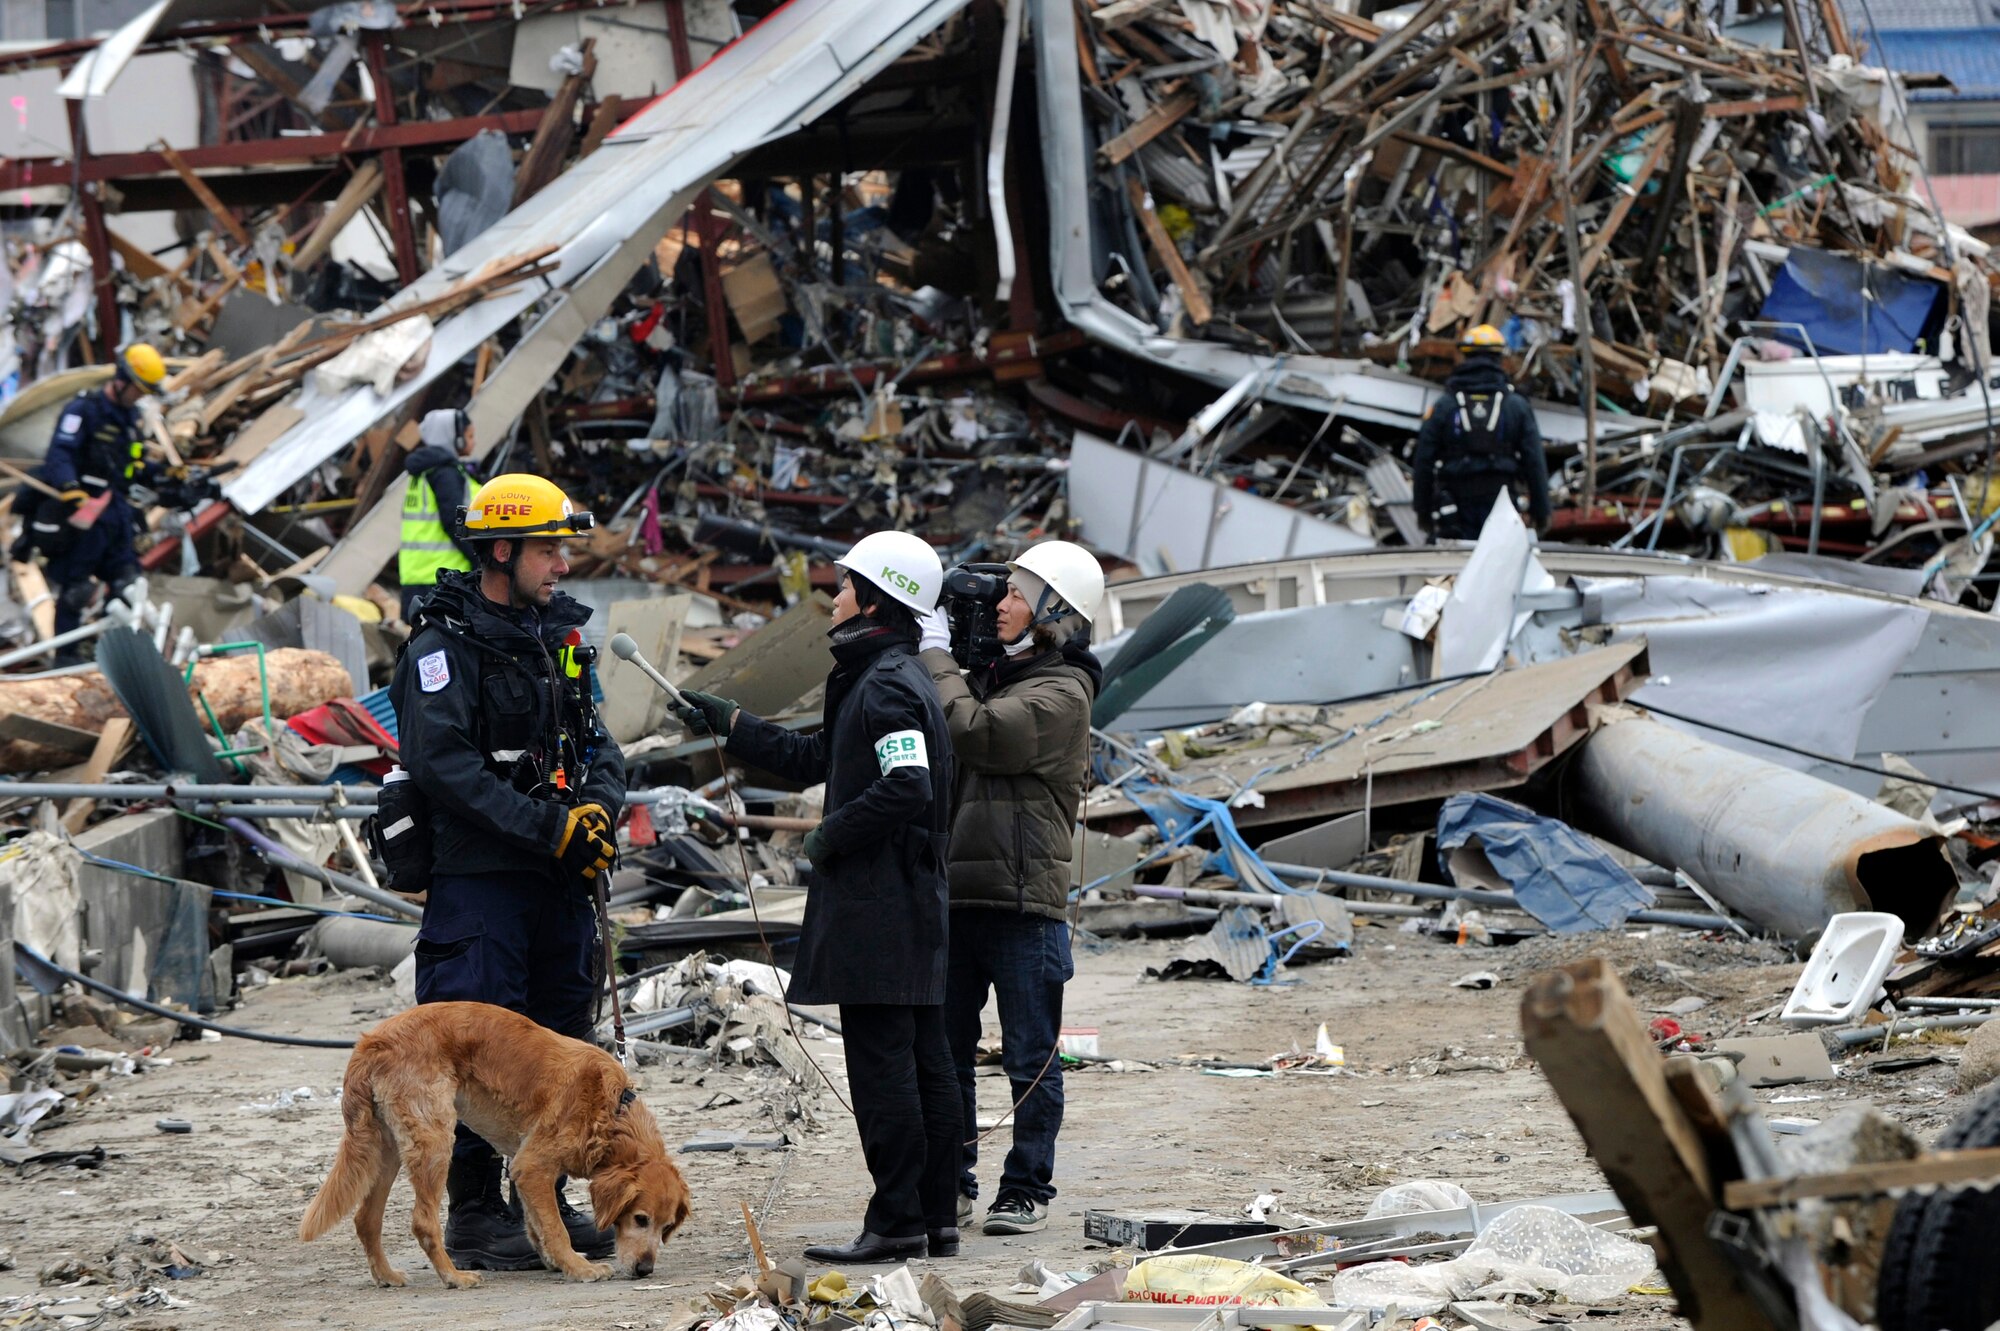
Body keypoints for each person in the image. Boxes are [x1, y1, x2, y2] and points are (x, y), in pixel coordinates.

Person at [672, 531, 960, 1265]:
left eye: (843, 585)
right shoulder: (881, 676)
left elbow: (907, 785)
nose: (831, 598)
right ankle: (933, 1217)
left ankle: (897, 1220)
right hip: (905, 902)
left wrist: (831, 834)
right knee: (925, 1059)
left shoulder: (890, 683)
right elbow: (816, 757)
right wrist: (732, 726)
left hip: (883, 906)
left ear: (875, 598)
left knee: (887, 1066)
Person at [388, 472, 626, 1273]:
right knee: (476, 1047)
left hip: (555, 886)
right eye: (548, 550)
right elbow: (443, 764)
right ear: (500, 549)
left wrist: (592, 811)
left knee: (558, 1044)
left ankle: (542, 1201)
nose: (562, 565)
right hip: (483, 884)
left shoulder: (559, 638)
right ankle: (479, 1216)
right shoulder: (441, 647)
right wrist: (550, 827)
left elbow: (601, 746)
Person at [915, 541, 1102, 1237]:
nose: (1000, 605)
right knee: (947, 1049)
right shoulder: (991, 675)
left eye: (1017, 594)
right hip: (960, 894)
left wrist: (938, 659)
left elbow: (979, 734)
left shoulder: (1061, 693)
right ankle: (953, 1181)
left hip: (1026, 901)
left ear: (1055, 613)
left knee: (1030, 1054)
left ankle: (1025, 1186)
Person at [17, 344, 168, 655]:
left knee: (128, 584)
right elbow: (60, 454)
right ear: (122, 379)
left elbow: (131, 465)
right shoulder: (83, 411)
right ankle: (66, 661)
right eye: (137, 390)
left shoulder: (131, 421)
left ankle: (121, 657)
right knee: (76, 592)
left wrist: (164, 474)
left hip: (115, 515)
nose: (139, 397)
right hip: (83, 515)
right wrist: (69, 486)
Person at [1411, 324, 1550, 541]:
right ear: (1500, 358)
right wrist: (1541, 511)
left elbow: (1423, 461)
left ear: (1465, 356)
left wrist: (1423, 510)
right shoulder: (1516, 406)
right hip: (1502, 507)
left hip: (1454, 510)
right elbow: (1534, 461)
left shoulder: (1445, 407)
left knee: (1455, 571)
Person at [398, 408, 482, 621]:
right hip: (445, 576)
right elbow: (453, 522)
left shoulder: (423, 472)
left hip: (417, 574)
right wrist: (480, 559)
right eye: (469, 436)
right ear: (454, 438)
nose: (474, 442)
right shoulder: (445, 473)